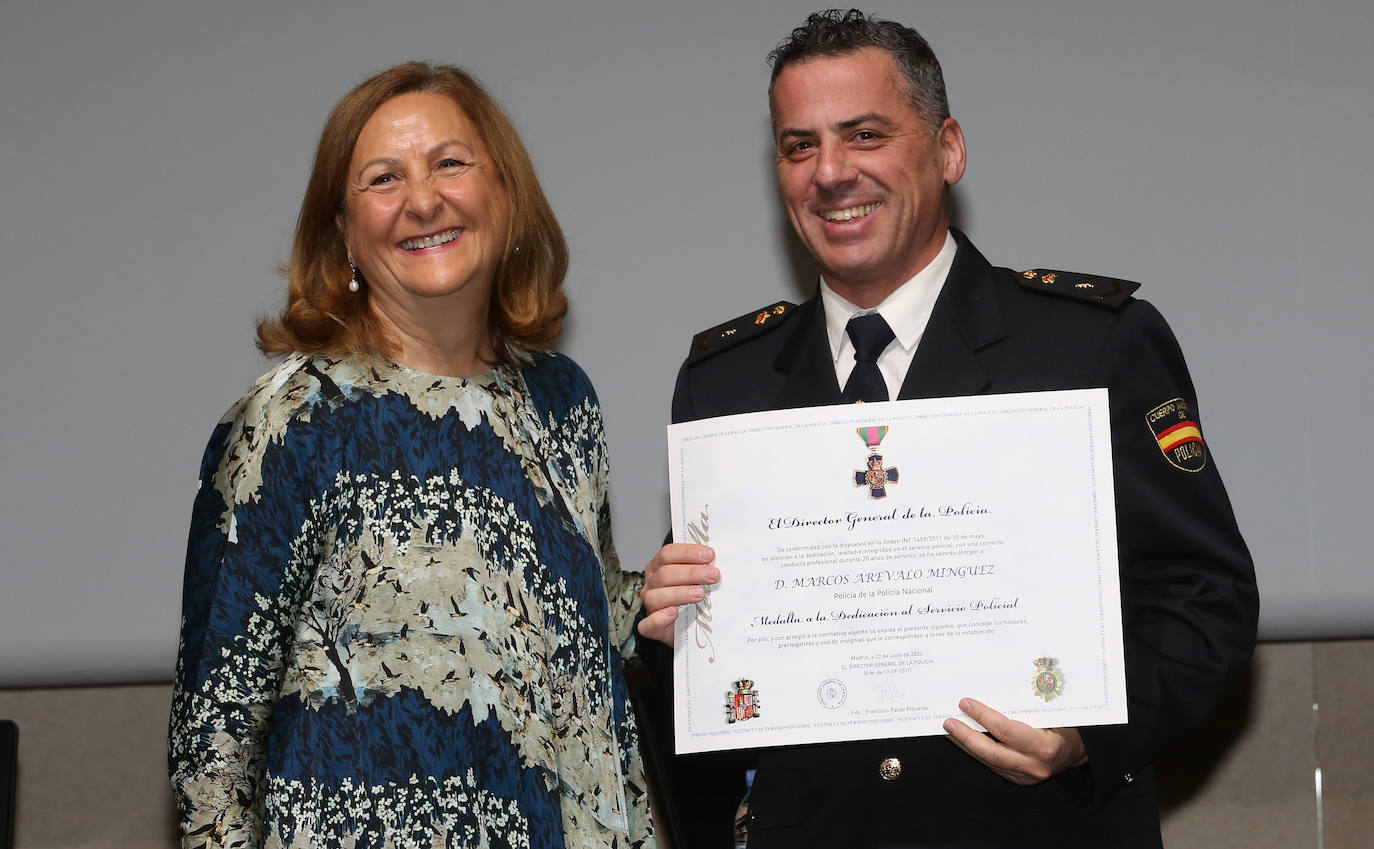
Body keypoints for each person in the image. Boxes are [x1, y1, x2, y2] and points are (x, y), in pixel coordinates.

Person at [635, 10, 1257, 849]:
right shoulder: (725, 384)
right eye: (798, 145)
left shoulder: (1091, 345)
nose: (830, 173)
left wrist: (1085, 738)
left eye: (864, 134)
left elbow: (1204, 598)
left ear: (948, 149)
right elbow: (717, 694)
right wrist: (678, 631)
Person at [168, 62, 654, 849]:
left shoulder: (562, 399)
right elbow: (213, 746)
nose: (423, 200)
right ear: (343, 232)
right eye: (383, 178)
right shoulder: (292, 423)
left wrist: (675, 599)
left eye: (450, 163)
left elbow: (577, 628)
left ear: (505, 193)